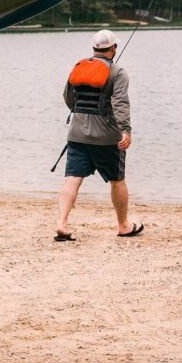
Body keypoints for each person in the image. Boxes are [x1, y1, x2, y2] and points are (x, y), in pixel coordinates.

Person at [54, 29, 143, 240]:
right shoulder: (118, 73)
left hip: (76, 134)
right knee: (117, 179)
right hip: (106, 137)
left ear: (94, 48)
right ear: (113, 49)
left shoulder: (79, 66)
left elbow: (68, 97)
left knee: (73, 178)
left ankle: (61, 223)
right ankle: (123, 226)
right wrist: (125, 130)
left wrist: (81, 115)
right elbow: (120, 103)